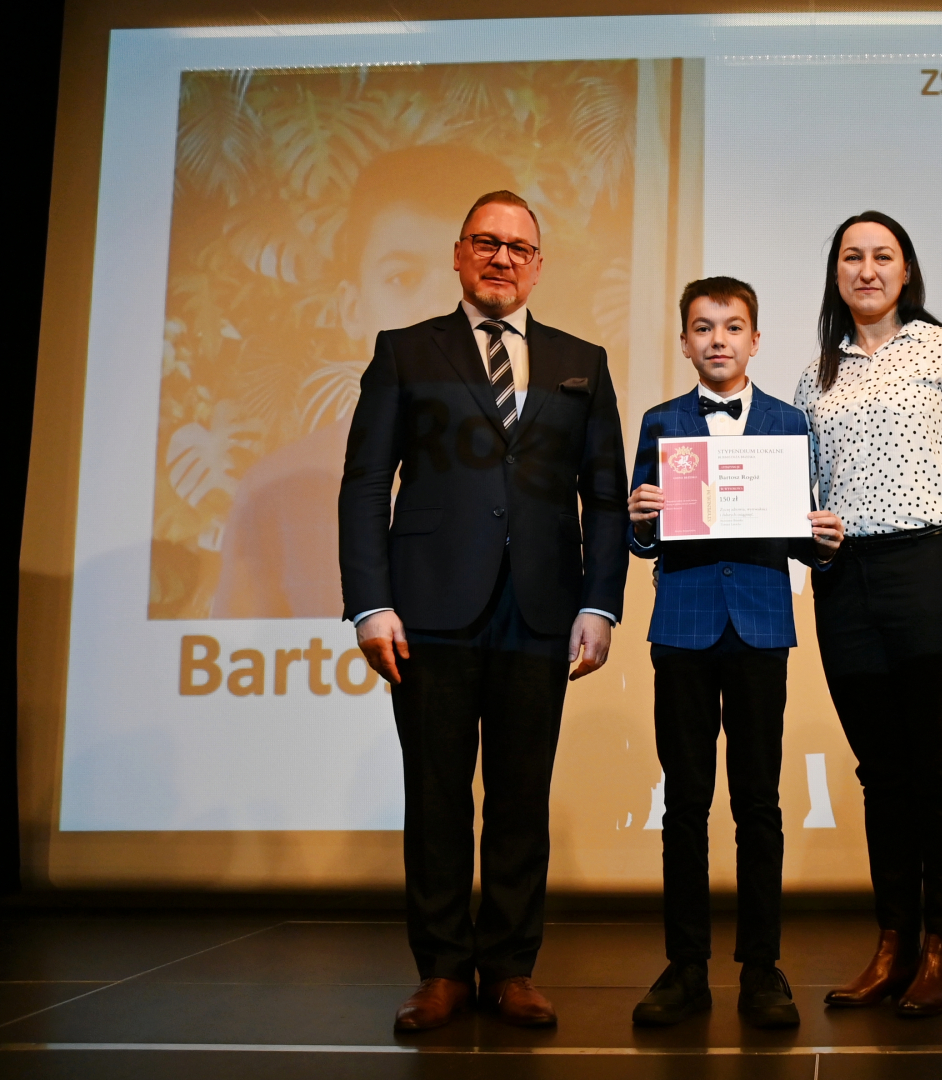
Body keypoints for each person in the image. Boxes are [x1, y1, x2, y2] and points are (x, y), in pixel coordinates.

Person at [338, 189, 630, 1031]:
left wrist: (600, 603)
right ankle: (441, 970)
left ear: (538, 265)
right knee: (435, 796)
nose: (502, 258)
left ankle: (508, 967)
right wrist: (370, 603)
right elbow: (366, 482)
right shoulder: (405, 350)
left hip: (541, 607)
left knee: (520, 798)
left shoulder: (582, 360)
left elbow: (605, 497)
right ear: (460, 254)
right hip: (427, 607)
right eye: (486, 242)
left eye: (518, 247)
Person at [793, 211, 942, 1017]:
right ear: (836, 273)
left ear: (906, 270)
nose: (867, 269)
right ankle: (893, 944)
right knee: (880, 773)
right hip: (845, 582)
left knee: (941, 767)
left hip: (928, 569)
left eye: (883, 256)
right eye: (852, 256)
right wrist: (805, 536)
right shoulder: (816, 375)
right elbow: (803, 494)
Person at [625, 277, 844, 1029]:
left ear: (755, 339)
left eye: (732, 326)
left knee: (759, 803)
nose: (717, 339)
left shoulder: (789, 422)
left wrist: (822, 542)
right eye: (703, 327)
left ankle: (761, 967)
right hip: (682, 629)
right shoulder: (660, 422)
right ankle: (686, 966)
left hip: (759, 628)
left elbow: (799, 534)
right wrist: (641, 520)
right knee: (685, 804)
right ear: (685, 341)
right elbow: (642, 540)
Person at [215, 146, 518, 618]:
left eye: (467, 279)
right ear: (352, 308)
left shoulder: (542, 469)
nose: (439, 306)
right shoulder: (275, 493)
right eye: (402, 278)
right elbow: (238, 648)